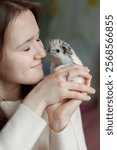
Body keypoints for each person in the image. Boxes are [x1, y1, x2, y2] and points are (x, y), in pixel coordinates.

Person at [0, 0, 95, 150]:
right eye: (26, 48)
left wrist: (60, 125)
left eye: (37, 38)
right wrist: (37, 99)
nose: (42, 53)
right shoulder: (45, 94)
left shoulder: (57, 96)